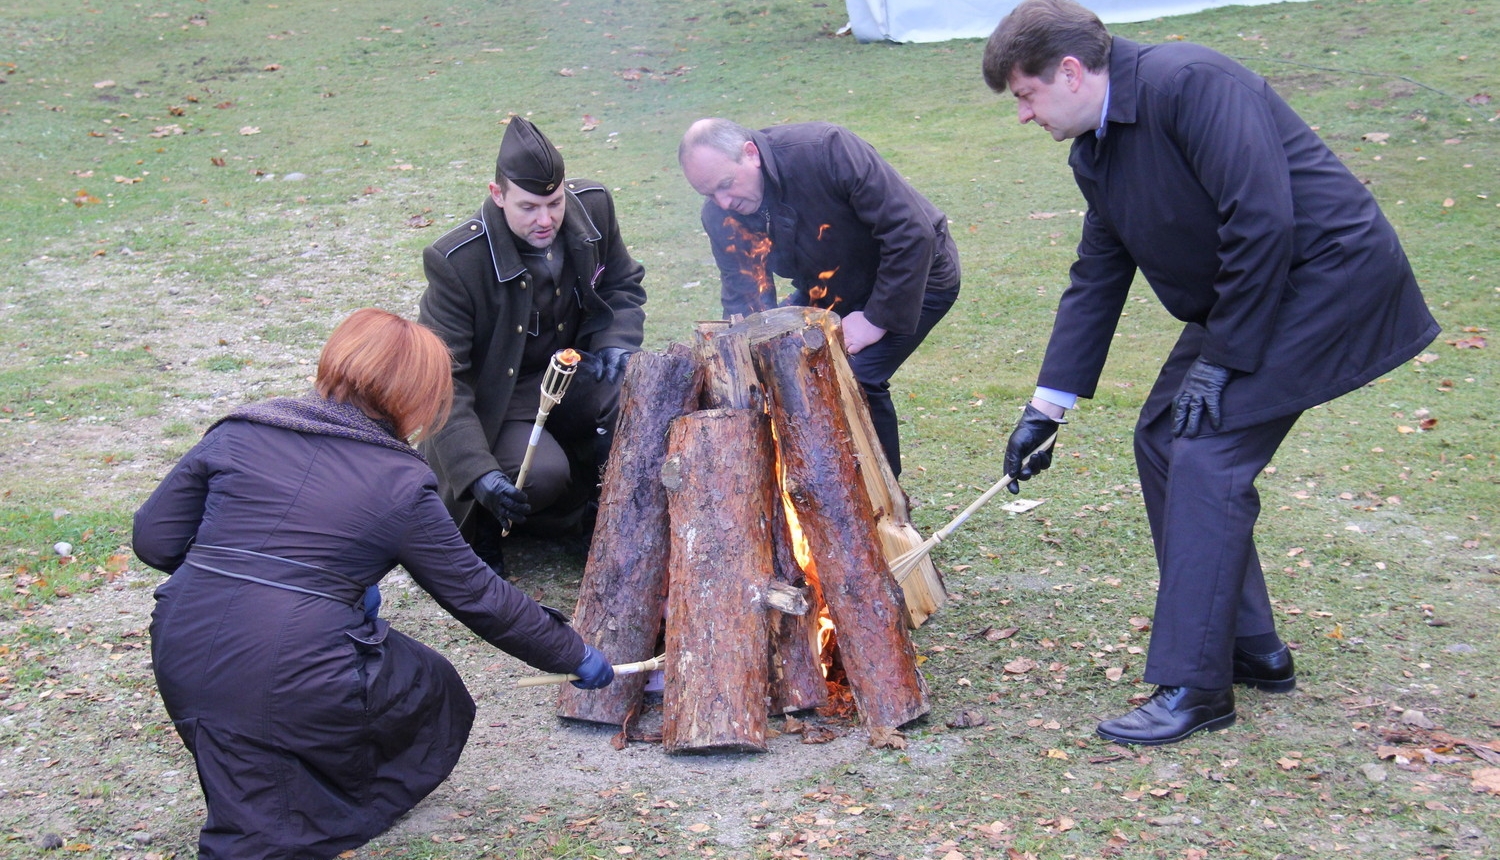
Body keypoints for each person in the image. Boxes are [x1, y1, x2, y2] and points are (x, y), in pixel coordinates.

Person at [983, 0, 1438, 745]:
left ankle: (1197, 686)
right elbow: (1097, 275)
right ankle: (1250, 647)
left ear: (1068, 71)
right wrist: (1047, 408)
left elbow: (1262, 219)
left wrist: (1221, 361)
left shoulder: (1193, 81)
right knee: (1164, 438)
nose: (1025, 115)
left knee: (1207, 454)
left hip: (1329, 280)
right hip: (1252, 294)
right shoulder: (1095, 151)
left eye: (1026, 95)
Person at [133, 309, 615, 859]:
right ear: (416, 396)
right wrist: (572, 653)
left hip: (181, 642)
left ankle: (292, 792)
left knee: (407, 677)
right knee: (420, 691)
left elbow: (155, 540)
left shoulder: (243, 429)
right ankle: (302, 808)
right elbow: (479, 596)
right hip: (291, 663)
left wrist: (252, 572)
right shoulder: (399, 481)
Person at [419, 116, 647, 569]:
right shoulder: (456, 263)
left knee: (638, 398)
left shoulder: (594, 207)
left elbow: (622, 283)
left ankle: (601, 521)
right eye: (528, 207)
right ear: (497, 194)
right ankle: (490, 522)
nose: (546, 220)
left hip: (573, 372)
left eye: (555, 203)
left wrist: (615, 342)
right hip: (499, 400)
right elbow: (442, 384)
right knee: (539, 477)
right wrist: (478, 475)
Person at [678, 118, 960, 477]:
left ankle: (885, 499)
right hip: (830, 291)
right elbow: (743, 288)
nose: (723, 202)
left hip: (918, 275)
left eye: (726, 185)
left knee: (853, 376)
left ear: (751, 154)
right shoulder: (721, 211)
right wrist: (742, 353)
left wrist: (875, 319)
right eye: (709, 195)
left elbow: (911, 232)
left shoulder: (824, 150)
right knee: (779, 368)